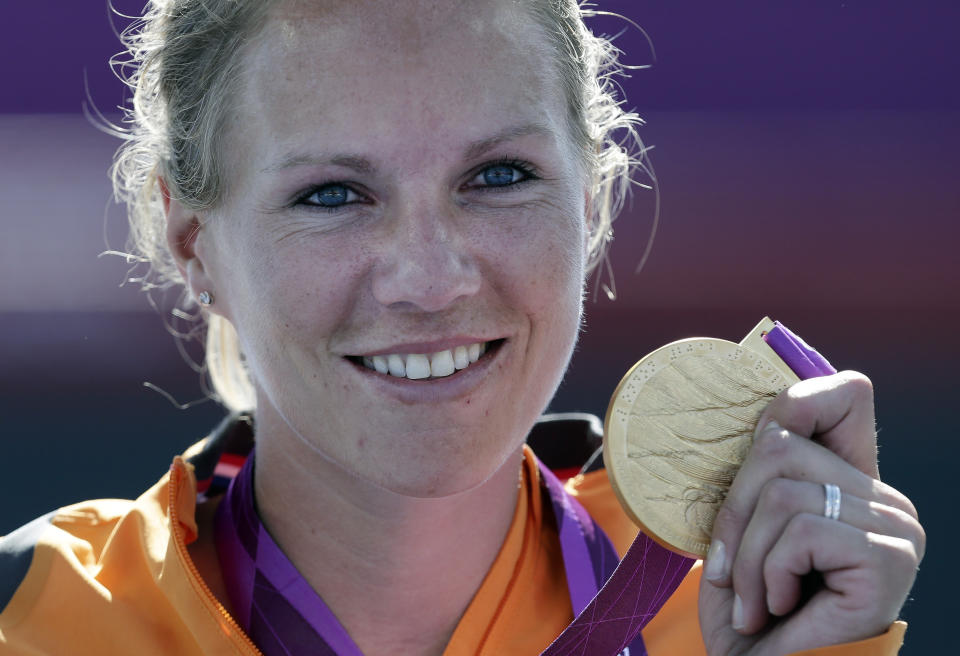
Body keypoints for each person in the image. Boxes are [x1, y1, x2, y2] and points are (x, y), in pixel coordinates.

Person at [0, 1, 924, 654]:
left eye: (498, 177)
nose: (432, 280)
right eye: (332, 194)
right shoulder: (37, 619)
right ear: (193, 244)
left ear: (594, 203)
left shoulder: (749, 609)